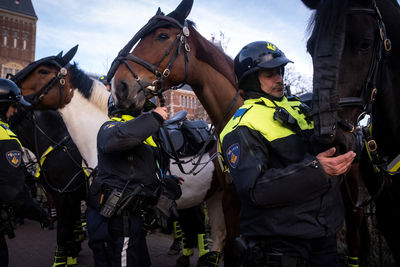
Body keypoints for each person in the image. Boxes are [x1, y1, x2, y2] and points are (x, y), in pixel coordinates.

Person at [219, 41, 356, 267]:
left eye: (280, 71)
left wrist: (352, 145)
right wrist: (317, 170)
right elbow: (255, 190)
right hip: (282, 246)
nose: (280, 79)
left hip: (324, 238)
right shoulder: (241, 126)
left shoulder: (301, 108)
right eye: (269, 74)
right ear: (251, 79)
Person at [86, 94, 175, 267]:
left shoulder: (140, 135)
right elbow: (115, 140)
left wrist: (165, 182)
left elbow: (137, 170)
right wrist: (154, 117)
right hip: (116, 220)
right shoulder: (110, 127)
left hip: (131, 219)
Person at [0, 78, 49, 266]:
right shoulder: (6, 137)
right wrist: (40, 214)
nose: (14, 111)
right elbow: (14, 193)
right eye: (12, 106)